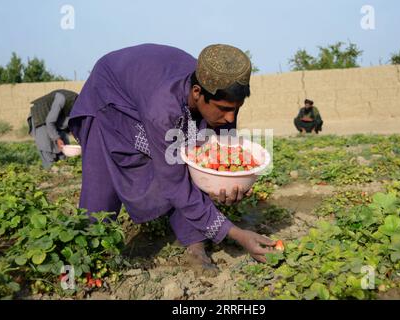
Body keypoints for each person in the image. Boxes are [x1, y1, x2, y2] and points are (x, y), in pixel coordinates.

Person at [68, 43, 276, 271]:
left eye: (236, 109)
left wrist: (229, 181)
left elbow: (219, 151)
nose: (230, 118)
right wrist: (236, 234)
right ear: (197, 93)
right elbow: (174, 181)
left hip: (146, 88)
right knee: (105, 182)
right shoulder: (162, 110)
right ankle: (86, 254)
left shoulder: (217, 94)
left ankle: (195, 243)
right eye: (224, 109)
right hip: (108, 96)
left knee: (191, 157)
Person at [27, 89, 78, 168]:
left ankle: (62, 171)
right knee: (47, 147)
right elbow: (50, 121)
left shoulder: (80, 106)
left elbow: (72, 124)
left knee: (64, 149)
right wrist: (57, 138)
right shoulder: (61, 98)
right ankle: (50, 171)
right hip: (41, 116)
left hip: (56, 120)